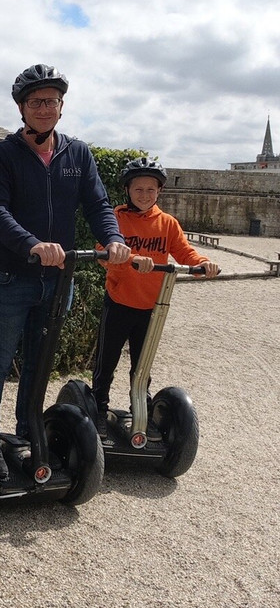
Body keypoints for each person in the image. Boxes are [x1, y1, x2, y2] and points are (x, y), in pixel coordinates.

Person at [0, 63, 131, 480]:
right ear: (22, 108)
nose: (44, 108)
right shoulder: (1, 155)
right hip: (11, 276)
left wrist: (112, 238)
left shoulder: (77, 153)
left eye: (51, 101)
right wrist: (32, 244)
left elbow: (98, 205)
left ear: (61, 107)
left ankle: (27, 433)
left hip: (58, 279)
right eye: (35, 101)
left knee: (37, 362)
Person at [90, 157, 220, 431]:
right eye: (139, 190)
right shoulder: (117, 218)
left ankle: (139, 404)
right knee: (107, 359)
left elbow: (185, 252)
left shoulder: (168, 223)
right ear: (128, 190)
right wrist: (131, 258)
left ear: (159, 191)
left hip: (152, 307)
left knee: (143, 363)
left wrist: (203, 263)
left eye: (151, 190)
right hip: (119, 301)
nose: (145, 195)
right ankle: (99, 404)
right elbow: (104, 252)